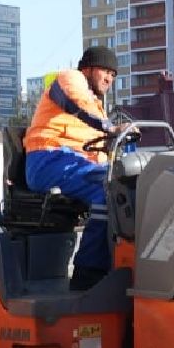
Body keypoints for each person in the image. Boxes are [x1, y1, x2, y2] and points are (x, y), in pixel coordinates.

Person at [24, 45, 121, 289]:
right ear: (88, 69)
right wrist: (109, 128)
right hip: (47, 159)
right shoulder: (70, 79)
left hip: (72, 162)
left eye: (113, 75)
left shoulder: (96, 106)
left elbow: (99, 145)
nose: (109, 78)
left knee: (123, 182)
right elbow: (77, 102)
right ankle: (88, 273)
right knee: (107, 189)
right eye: (105, 71)